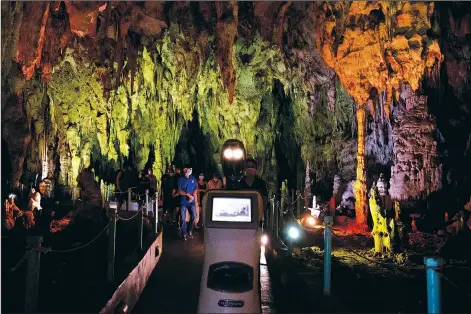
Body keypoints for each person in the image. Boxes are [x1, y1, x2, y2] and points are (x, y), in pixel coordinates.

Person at [238, 158, 268, 224]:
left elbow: (265, 198)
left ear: (256, 169)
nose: (250, 168)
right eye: (248, 167)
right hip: (243, 213)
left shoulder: (261, 183)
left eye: (252, 167)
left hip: (257, 213)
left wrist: (262, 211)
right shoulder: (241, 183)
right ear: (245, 169)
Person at [177, 165, 198, 240]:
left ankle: (189, 231)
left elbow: (196, 188)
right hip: (183, 201)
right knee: (183, 218)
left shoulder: (193, 178)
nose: (189, 170)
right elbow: (179, 191)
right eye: (188, 169)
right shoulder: (181, 179)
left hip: (191, 201)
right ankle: (184, 233)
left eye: (190, 169)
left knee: (194, 216)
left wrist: (192, 196)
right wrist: (188, 194)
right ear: (184, 170)